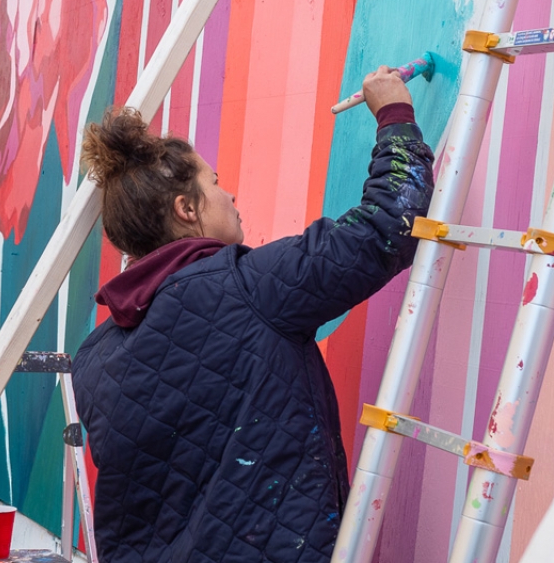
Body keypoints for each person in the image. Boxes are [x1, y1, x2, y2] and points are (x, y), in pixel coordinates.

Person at [72, 67, 435, 561]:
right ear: (186, 209)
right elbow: (388, 226)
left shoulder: (93, 359)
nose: (230, 194)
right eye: (215, 182)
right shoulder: (250, 286)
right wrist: (394, 113)